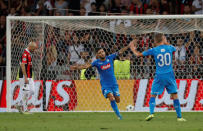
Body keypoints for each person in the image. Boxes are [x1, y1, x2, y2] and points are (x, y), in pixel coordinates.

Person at [129, 33, 186, 122]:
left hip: (159, 75)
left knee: (153, 95)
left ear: (155, 41)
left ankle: (151, 113)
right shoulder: (170, 48)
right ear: (163, 39)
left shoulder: (154, 50)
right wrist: (166, 42)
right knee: (174, 95)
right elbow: (173, 49)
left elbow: (139, 55)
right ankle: (179, 117)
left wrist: (133, 50)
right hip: (169, 75)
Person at [70, 45, 130, 120]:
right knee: (111, 97)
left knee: (117, 100)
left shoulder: (110, 57)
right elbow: (86, 66)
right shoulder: (96, 62)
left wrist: (128, 46)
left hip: (114, 84)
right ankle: (119, 116)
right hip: (105, 85)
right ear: (97, 55)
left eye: (102, 51)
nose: (102, 53)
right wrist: (76, 67)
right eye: (100, 52)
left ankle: (117, 111)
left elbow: (120, 51)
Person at [16, 42, 38, 114]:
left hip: (29, 75)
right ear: (30, 47)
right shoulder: (24, 54)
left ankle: (19, 104)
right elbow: (22, 65)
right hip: (24, 75)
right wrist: (25, 77)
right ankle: (25, 110)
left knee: (32, 91)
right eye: (34, 49)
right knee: (26, 91)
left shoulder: (29, 53)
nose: (34, 50)